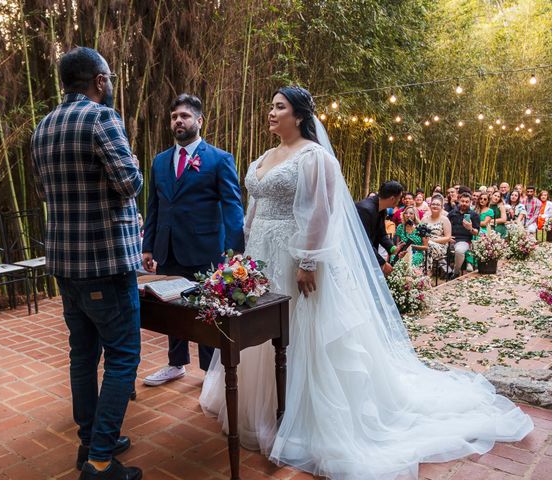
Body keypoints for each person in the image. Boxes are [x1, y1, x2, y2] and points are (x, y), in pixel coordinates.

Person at [200, 86, 532, 480]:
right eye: (270, 106)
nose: (271, 113)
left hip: (295, 257)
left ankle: (299, 413)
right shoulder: (264, 157)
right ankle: (258, 407)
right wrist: (244, 253)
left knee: (297, 331)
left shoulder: (315, 157)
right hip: (261, 256)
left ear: (300, 115)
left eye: (279, 107)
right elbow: (253, 209)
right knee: (260, 328)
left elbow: (321, 212)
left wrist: (308, 261)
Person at [31, 47, 142, 480]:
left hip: (65, 262)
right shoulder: (101, 119)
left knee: (82, 354)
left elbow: (44, 193)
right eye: (110, 77)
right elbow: (128, 183)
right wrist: (132, 163)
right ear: (99, 80)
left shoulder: (43, 127)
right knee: (122, 357)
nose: (111, 83)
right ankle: (99, 462)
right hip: (106, 263)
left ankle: (91, 443)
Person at [141, 94, 244, 386]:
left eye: (184, 116)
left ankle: (211, 374)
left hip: (205, 249)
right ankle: (175, 364)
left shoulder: (219, 159)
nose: (178, 121)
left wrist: (236, 250)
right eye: (174, 117)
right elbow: (155, 206)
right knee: (173, 308)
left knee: (206, 311)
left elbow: (232, 206)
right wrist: (148, 245)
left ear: (199, 121)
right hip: (169, 248)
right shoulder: (160, 161)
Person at [355, 181, 404, 276]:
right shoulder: (366, 210)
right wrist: (382, 263)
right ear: (393, 198)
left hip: (367, 254)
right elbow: (364, 242)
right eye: (399, 198)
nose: (399, 201)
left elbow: (381, 233)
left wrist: (392, 248)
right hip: (356, 255)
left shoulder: (381, 208)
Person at [447, 192, 481, 278]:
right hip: (449, 239)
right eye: (462, 201)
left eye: (467, 202)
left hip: (464, 240)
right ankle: (446, 271)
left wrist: (470, 228)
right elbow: (445, 225)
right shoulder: (452, 213)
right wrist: (447, 237)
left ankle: (456, 272)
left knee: (459, 251)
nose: (464, 203)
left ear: (470, 202)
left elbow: (476, 232)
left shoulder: (474, 215)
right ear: (458, 200)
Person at [422, 194, 452, 276]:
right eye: (433, 204)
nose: (435, 206)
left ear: (442, 207)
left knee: (428, 246)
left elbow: (448, 237)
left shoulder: (445, 220)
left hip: (440, 245)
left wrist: (432, 240)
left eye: (438, 205)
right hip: (425, 243)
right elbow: (420, 232)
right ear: (430, 206)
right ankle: (417, 271)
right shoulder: (424, 219)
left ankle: (427, 272)